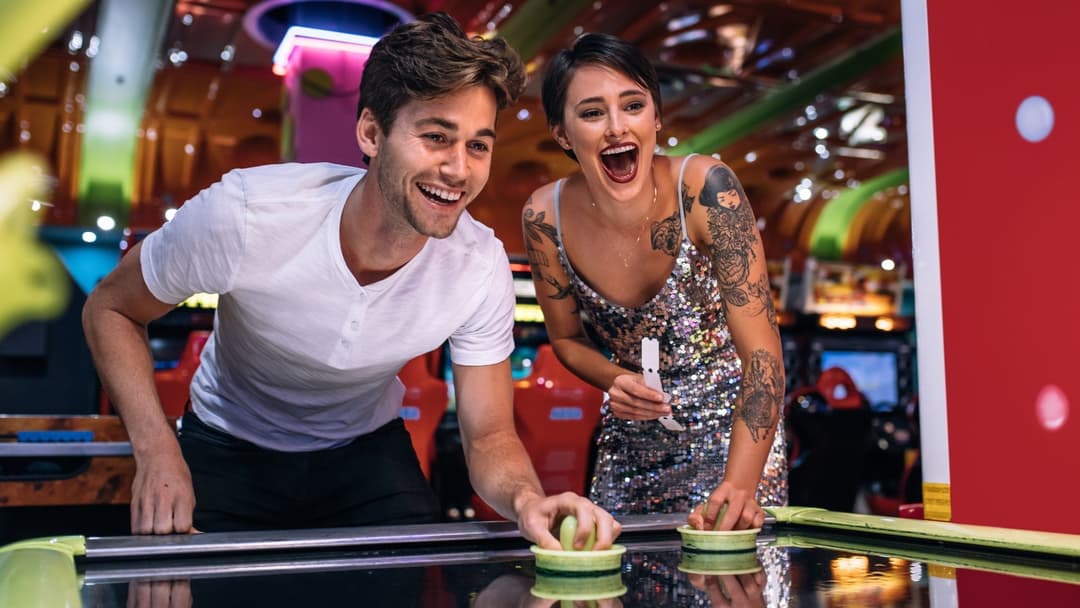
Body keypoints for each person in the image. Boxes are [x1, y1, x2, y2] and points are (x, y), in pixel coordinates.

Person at [82, 13, 618, 551]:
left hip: (366, 452)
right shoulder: (247, 214)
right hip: (226, 444)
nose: (459, 170)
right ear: (370, 133)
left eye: (478, 145)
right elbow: (110, 309)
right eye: (436, 136)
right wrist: (156, 451)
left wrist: (528, 501)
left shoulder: (479, 265)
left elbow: (491, 435)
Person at [521, 33, 787, 532]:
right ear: (562, 134)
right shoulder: (543, 215)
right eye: (592, 113)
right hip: (628, 448)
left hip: (735, 445)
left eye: (634, 105)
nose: (617, 127)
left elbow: (763, 358)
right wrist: (614, 380)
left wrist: (741, 484)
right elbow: (566, 340)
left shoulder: (707, 189)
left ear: (656, 118)